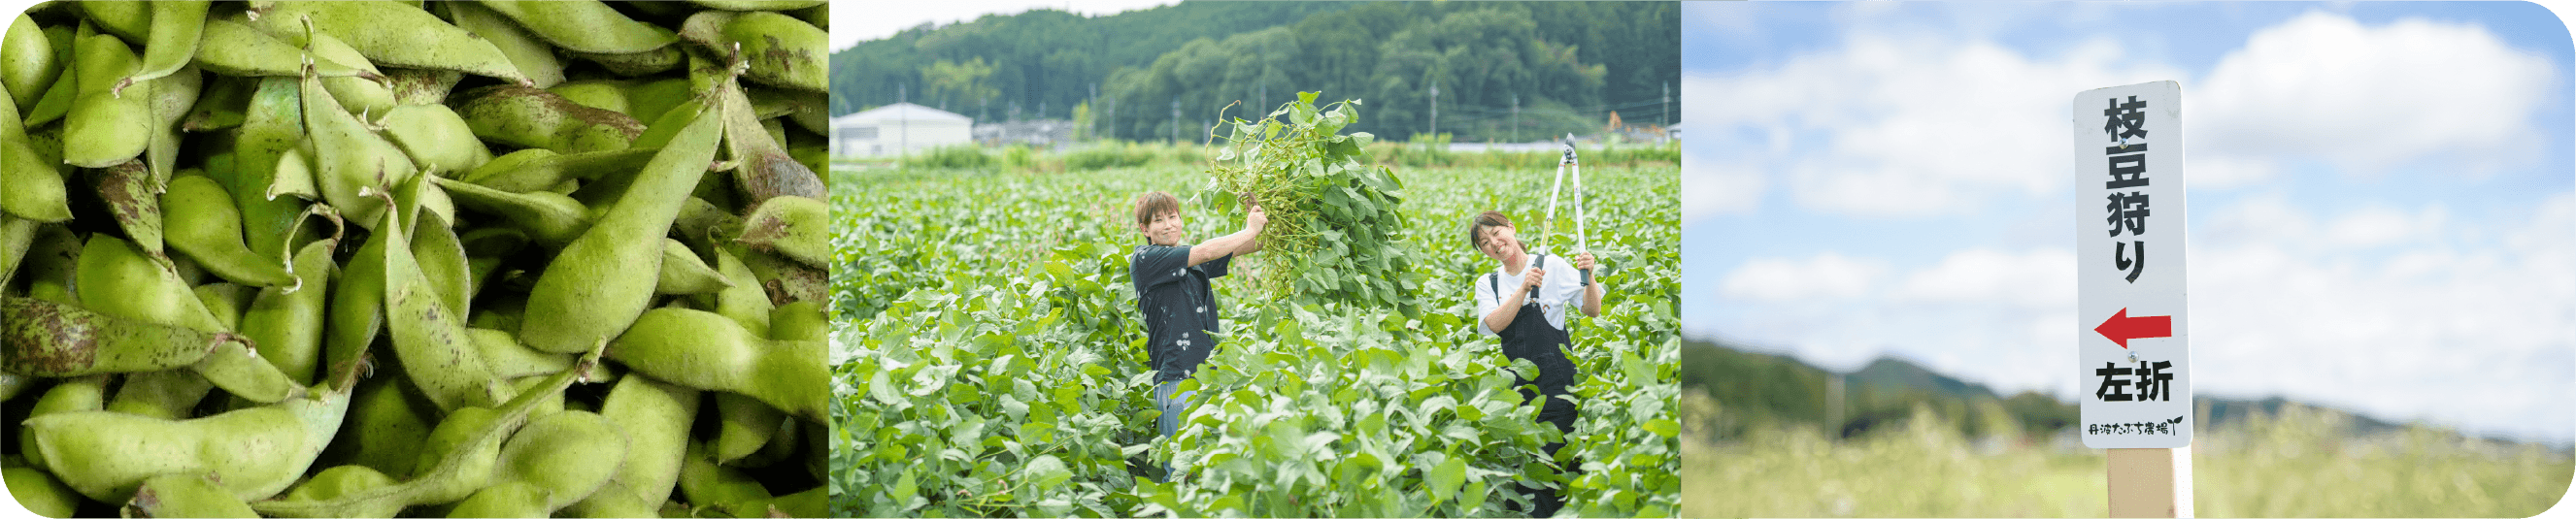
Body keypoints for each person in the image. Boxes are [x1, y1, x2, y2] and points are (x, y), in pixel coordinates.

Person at [1467, 211, 1605, 518]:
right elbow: (1494, 323)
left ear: (1511, 229)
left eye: (1496, 233)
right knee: (1526, 473)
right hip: (1518, 394)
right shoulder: (1488, 283)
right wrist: (1523, 290)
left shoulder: (1551, 266)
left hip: (1558, 387)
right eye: (1485, 243)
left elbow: (1592, 309)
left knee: (1559, 467)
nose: (1494, 243)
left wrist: (1589, 275)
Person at [1129, 191, 1264, 483]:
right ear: (1145, 229)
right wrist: (1248, 228)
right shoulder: (1147, 260)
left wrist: (1267, 221)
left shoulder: (1188, 260)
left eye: (1172, 217)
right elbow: (1204, 251)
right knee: (1182, 471)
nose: (1167, 225)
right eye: (1158, 221)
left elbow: (1250, 245)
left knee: (1210, 467)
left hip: (1207, 376)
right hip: (1178, 378)